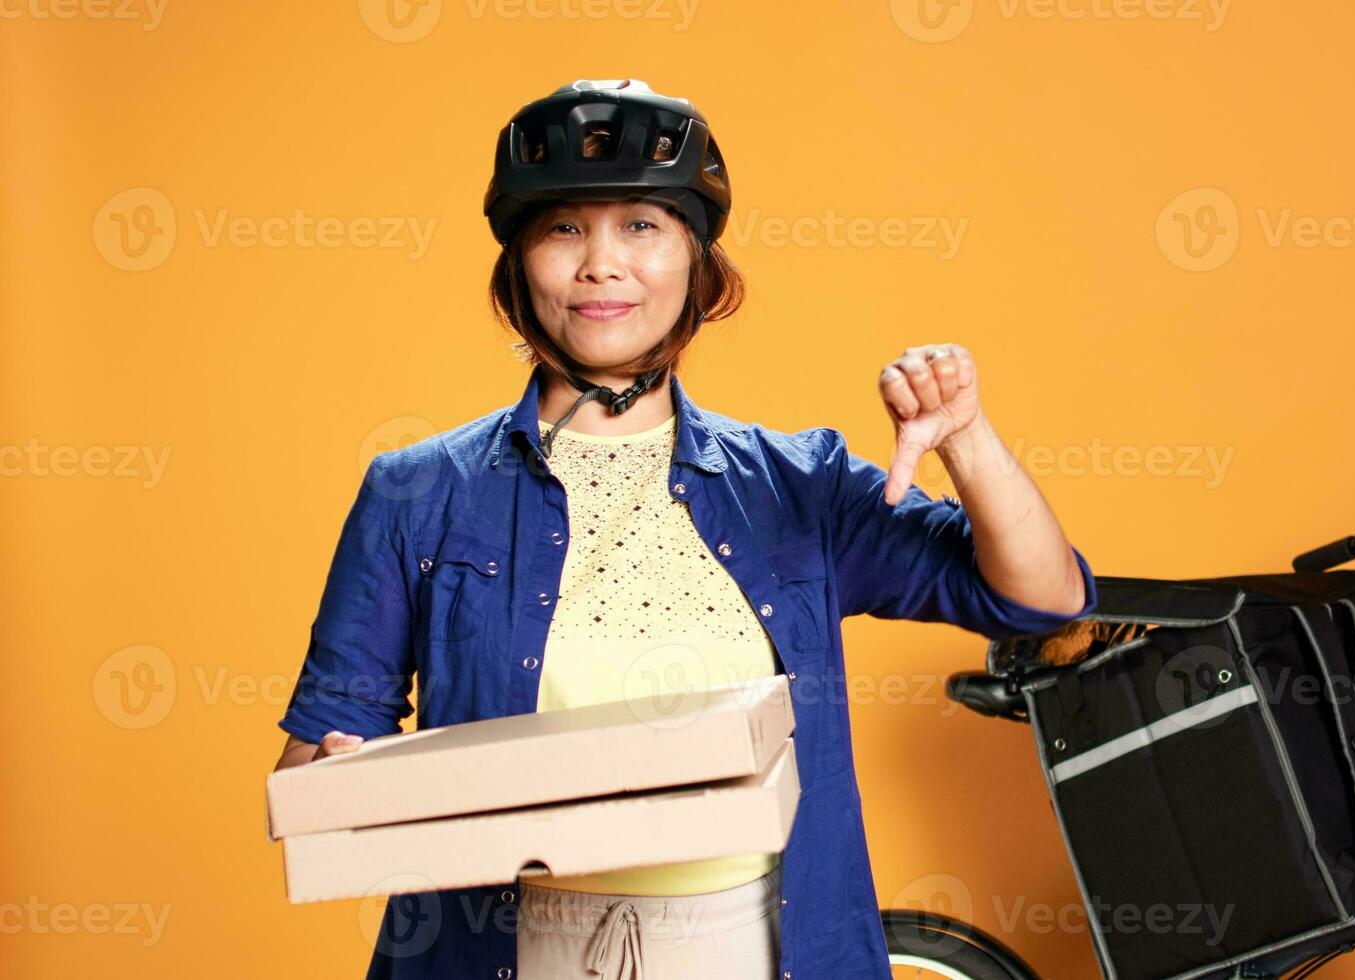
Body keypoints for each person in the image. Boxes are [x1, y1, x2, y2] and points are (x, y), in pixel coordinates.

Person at [271, 78, 1097, 980]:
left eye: (640, 225)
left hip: (756, 950)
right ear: (519, 264)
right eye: (563, 229)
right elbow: (322, 745)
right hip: (505, 951)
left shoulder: (799, 485)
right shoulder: (415, 492)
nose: (600, 264)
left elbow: (1039, 600)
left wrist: (966, 442)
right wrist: (341, 772)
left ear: (697, 261)